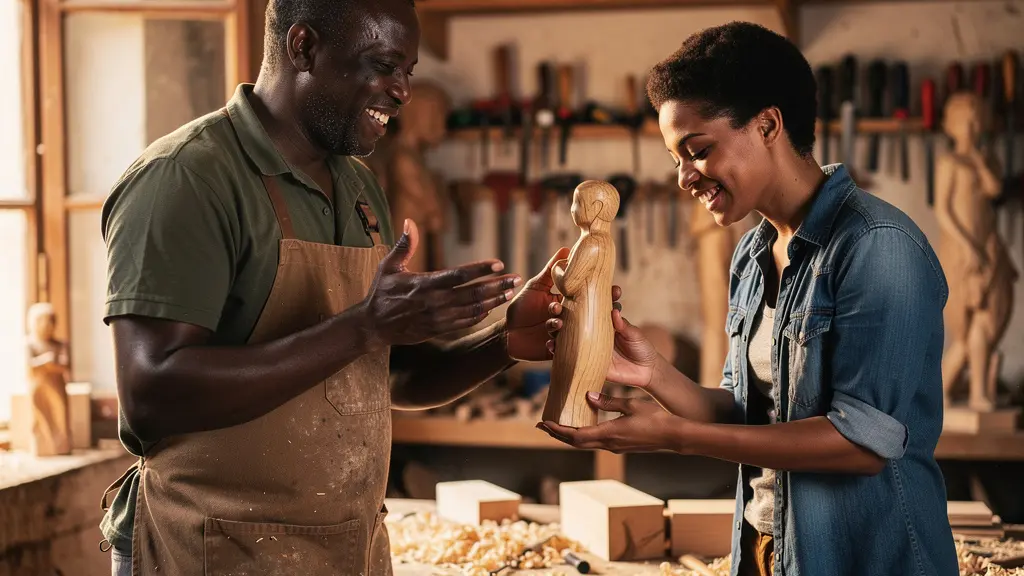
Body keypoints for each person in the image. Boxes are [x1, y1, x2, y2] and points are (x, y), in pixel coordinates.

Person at [97, 0, 617, 574]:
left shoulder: (359, 186)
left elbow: (385, 375)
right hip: (212, 550)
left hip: (348, 551)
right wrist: (364, 326)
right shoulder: (188, 178)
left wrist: (504, 341)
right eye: (384, 64)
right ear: (303, 47)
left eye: (409, 71)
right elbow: (150, 397)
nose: (402, 91)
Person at [540, 21, 959, 576]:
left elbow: (861, 445)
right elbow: (747, 413)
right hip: (769, 554)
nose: (685, 178)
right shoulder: (752, 253)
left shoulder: (877, 247)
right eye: (675, 159)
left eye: (698, 150)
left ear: (767, 125)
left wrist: (676, 438)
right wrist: (654, 376)